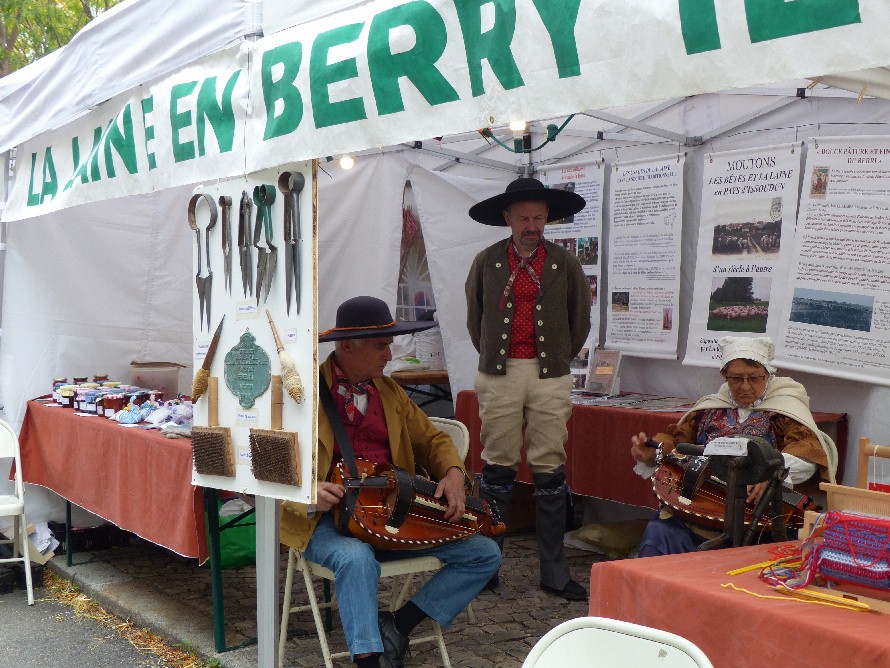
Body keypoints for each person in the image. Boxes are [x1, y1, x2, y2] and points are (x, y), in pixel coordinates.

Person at [280, 296, 501, 668]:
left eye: (389, 343)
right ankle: (368, 661)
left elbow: (434, 441)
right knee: (356, 558)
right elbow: (269, 464)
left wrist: (453, 474)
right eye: (380, 345)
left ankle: (398, 625)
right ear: (347, 347)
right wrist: (307, 491)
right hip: (325, 522)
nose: (389, 353)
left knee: (484, 554)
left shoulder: (389, 391)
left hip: (392, 515)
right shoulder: (300, 393)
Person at [465, 177, 592, 601]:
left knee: (549, 466)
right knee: (497, 465)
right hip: (499, 374)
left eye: (539, 217)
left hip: (548, 374)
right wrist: (495, 360)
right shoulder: (486, 262)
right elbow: (474, 318)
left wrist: (555, 360)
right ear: (508, 218)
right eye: (524, 218)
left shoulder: (565, 263)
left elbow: (580, 319)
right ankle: (488, 565)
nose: (532, 225)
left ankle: (554, 571)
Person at [629, 336, 838, 557]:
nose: (745, 386)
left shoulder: (784, 410)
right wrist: (652, 454)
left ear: (768, 375)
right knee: (659, 533)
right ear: (724, 376)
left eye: (755, 378)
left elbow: (808, 451)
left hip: (758, 515)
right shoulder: (709, 409)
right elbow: (677, 443)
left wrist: (771, 472)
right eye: (736, 378)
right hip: (706, 501)